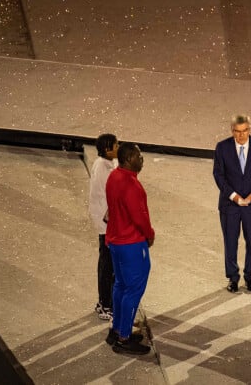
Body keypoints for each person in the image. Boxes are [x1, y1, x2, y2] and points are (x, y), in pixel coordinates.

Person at [105, 142, 155, 355]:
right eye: (138, 156)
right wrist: (150, 235)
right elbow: (140, 217)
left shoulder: (113, 176)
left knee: (121, 286)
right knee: (133, 290)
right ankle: (124, 338)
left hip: (115, 241)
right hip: (131, 244)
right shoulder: (132, 186)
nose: (141, 159)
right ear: (127, 160)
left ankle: (117, 329)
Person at [213, 114, 251, 293]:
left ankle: (250, 277)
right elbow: (219, 175)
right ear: (232, 131)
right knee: (230, 241)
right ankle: (233, 278)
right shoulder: (222, 148)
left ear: (249, 130)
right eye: (237, 132)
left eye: (244, 131)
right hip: (230, 205)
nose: (241, 135)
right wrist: (235, 197)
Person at [89, 133, 118, 320]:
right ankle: (105, 304)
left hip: (109, 222)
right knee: (107, 265)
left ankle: (107, 302)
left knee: (110, 264)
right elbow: (107, 197)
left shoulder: (109, 163)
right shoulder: (102, 168)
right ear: (107, 149)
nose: (118, 147)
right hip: (106, 223)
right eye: (116, 145)